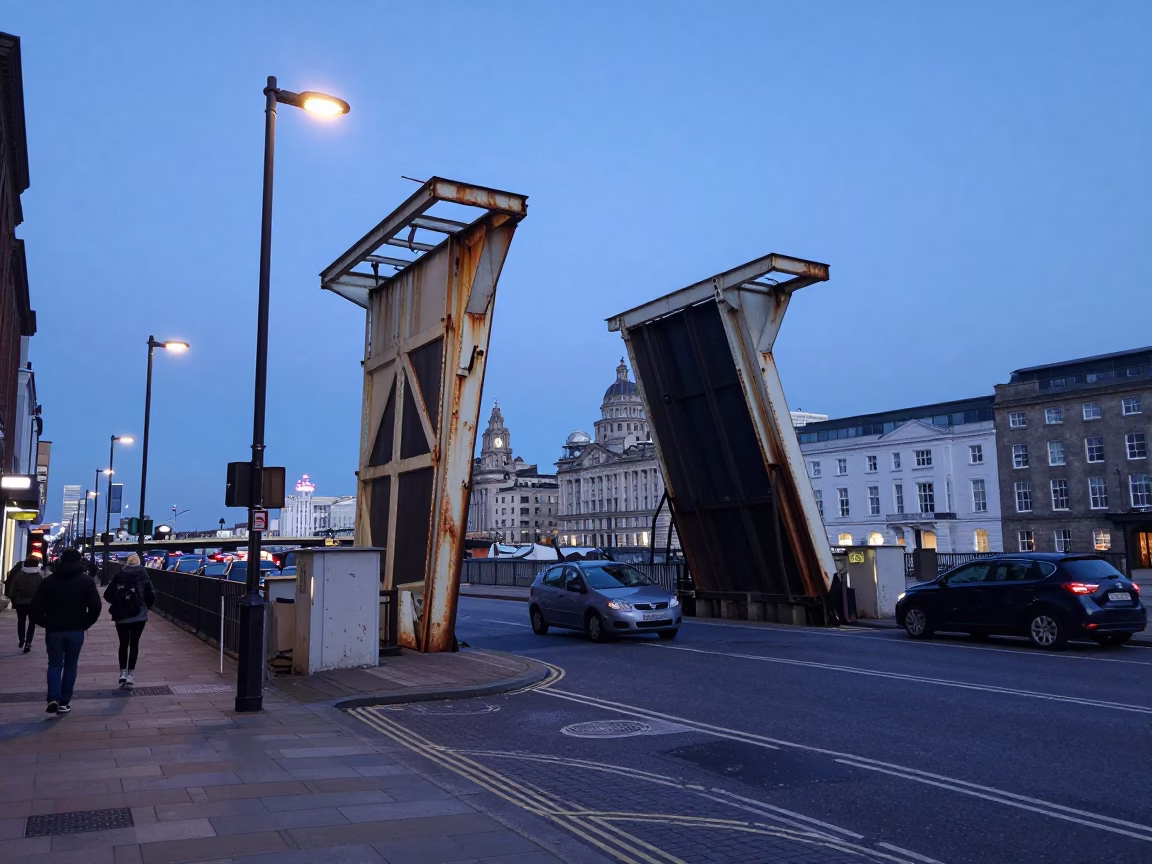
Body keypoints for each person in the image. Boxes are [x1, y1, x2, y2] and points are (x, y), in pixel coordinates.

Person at [29, 548, 101, 715]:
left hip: (54, 629)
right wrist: (85, 623)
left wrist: (46, 623)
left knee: (54, 664)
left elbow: (35, 608)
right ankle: (64, 702)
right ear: (79, 562)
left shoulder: (49, 581)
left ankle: (53, 697)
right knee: (70, 665)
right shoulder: (86, 581)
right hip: (76, 629)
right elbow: (96, 607)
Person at [103, 553, 155, 687]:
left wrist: (119, 603)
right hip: (139, 615)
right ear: (139, 563)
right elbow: (151, 594)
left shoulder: (120, 575)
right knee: (134, 643)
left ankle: (122, 673)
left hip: (121, 615)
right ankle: (131, 674)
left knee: (123, 643)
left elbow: (107, 595)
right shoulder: (143, 575)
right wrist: (145, 607)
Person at [4, 556, 44, 652]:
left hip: (21, 601)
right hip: (34, 602)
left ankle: (22, 638)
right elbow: (44, 589)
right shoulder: (40, 575)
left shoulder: (20, 574)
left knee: (21, 621)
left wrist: (12, 597)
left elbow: (13, 587)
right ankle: (28, 642)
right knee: (32, 622)